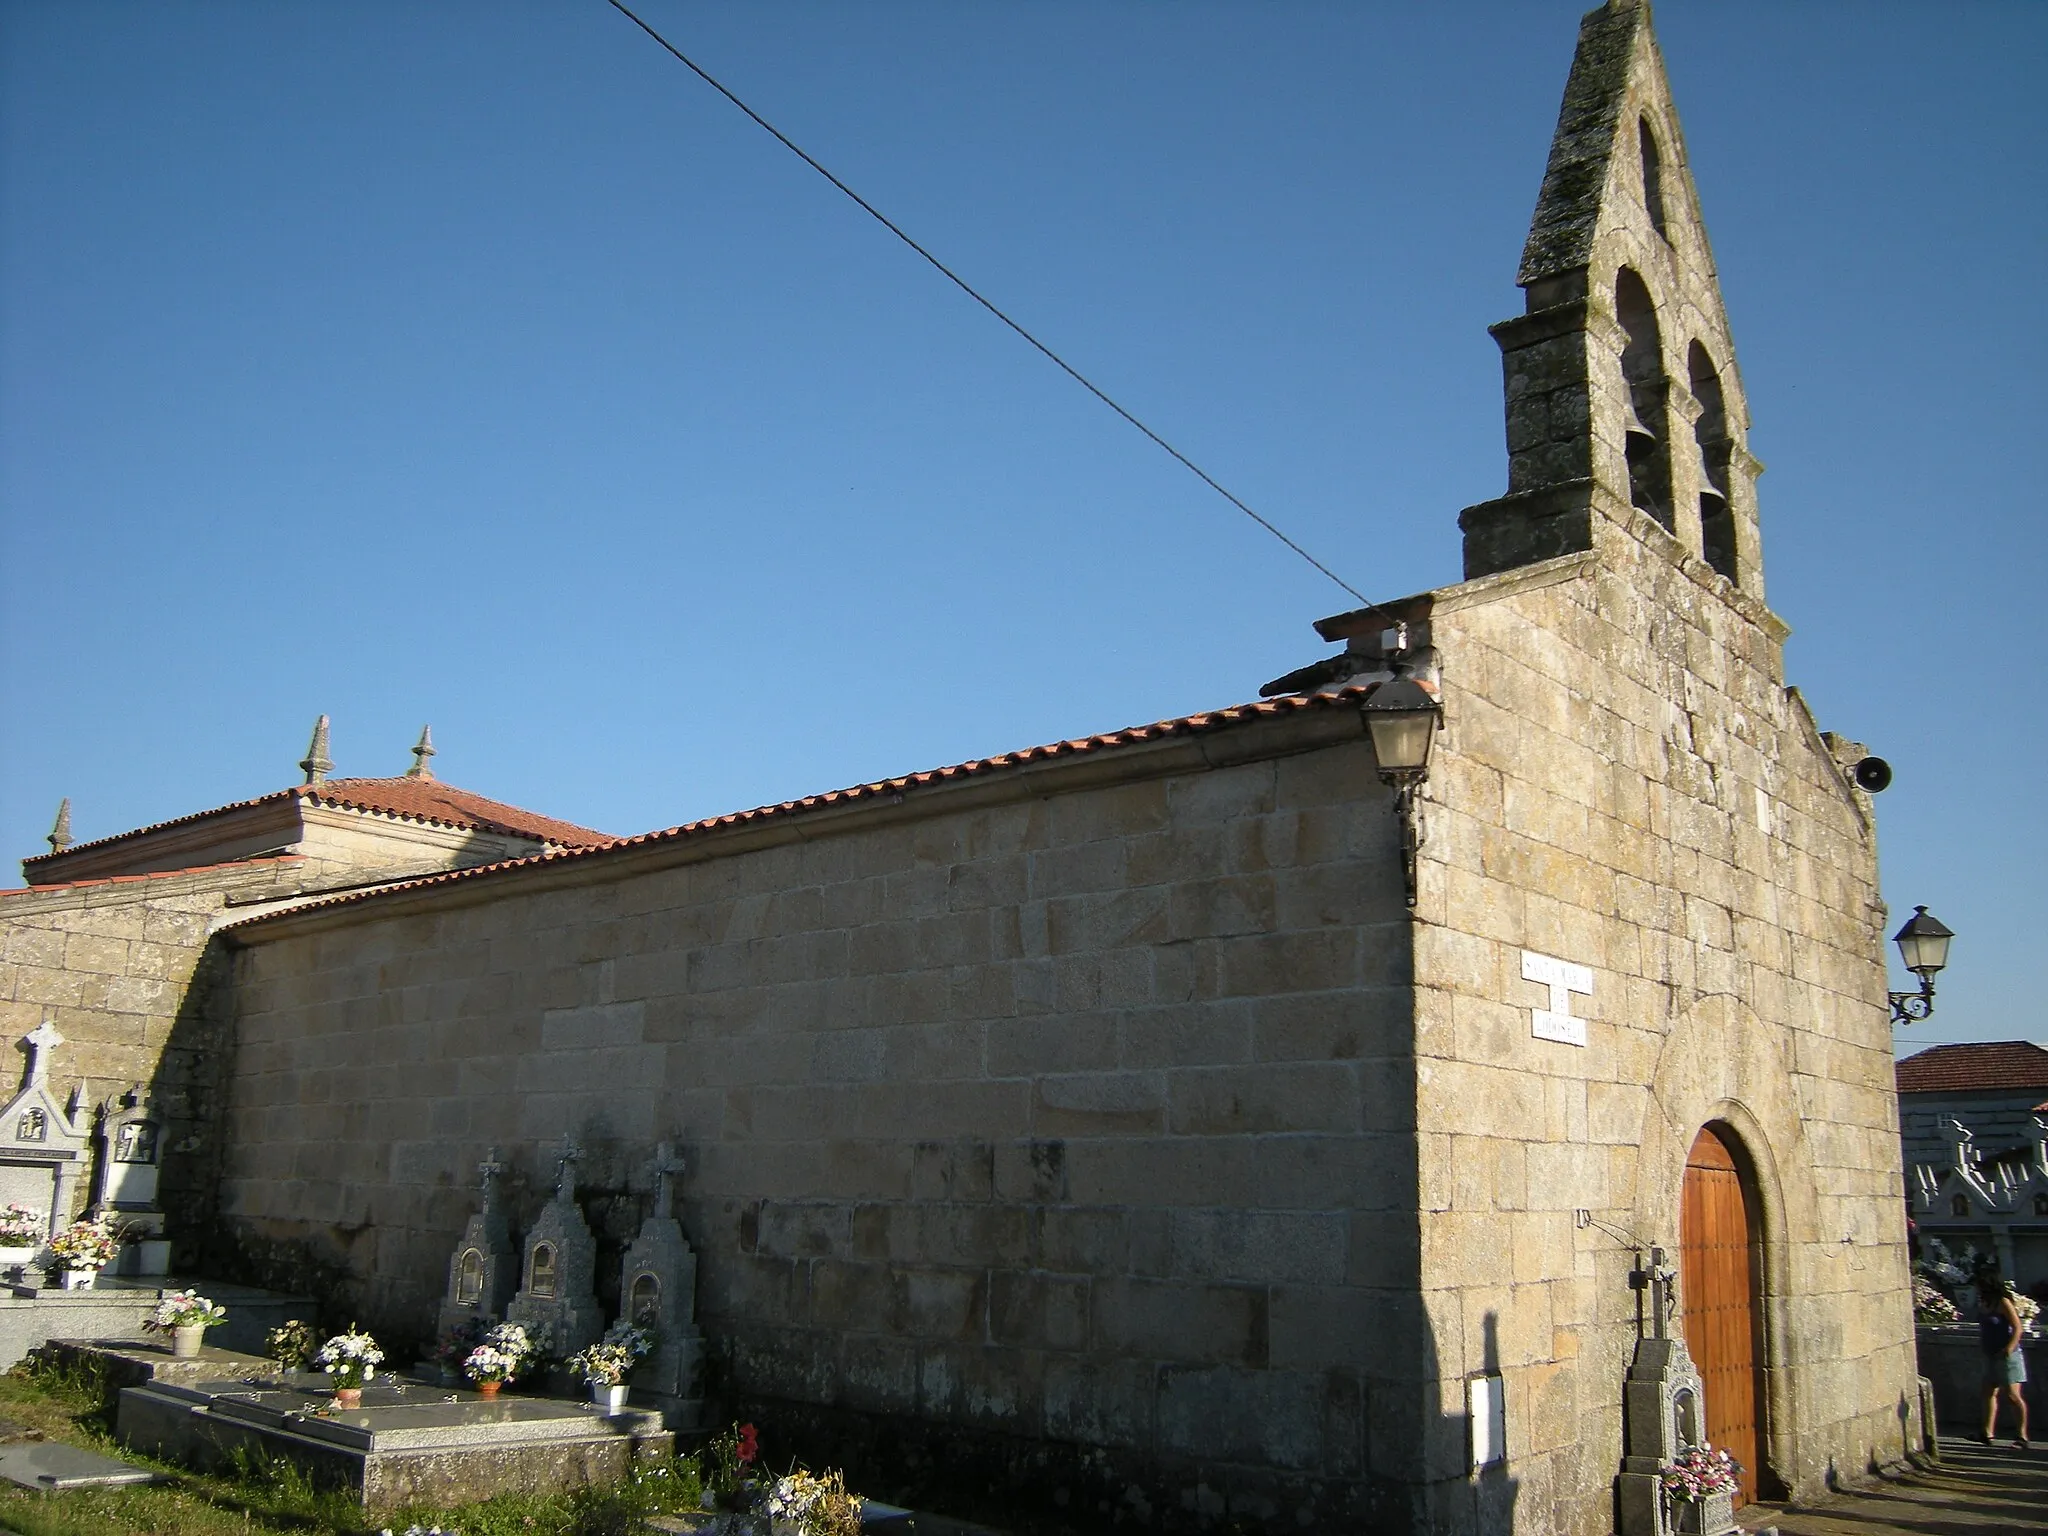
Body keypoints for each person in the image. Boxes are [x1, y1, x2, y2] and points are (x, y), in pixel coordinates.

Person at [1977, 1274, 2030, 1450]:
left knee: (2012, 1395)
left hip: (2008, 1355)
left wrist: (2009, 1348)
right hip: (1990, 1354)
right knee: (1988, 1391)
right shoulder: (1984, 1303)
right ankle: (1987, 1432)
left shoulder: (2003, 1302)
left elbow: (2017, 1327)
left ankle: (2022, 1435)